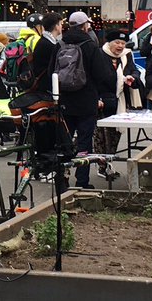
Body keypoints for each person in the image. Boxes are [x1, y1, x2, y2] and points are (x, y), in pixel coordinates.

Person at [60, 12, 113, 189]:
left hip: (65, 100)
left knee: (65, 141)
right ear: (84, 26)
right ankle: (82, 181)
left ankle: (62, 179)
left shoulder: (61, 43)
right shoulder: (90, 46)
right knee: (84, 141)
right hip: (86, 100)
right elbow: (102, 74)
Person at [94, 28, 140, 155]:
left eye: (123, 43)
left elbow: (134, 71)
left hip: (121, 101)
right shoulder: (99, 54)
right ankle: (103, 164)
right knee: (102, 136)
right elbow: (93, 78)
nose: (120, 46)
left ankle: (110, 160)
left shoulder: (126, 55)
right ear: (109, 43)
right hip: (103, 102)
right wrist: (96, 98)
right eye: (117, 42)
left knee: (115, 135)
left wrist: (133, 77)